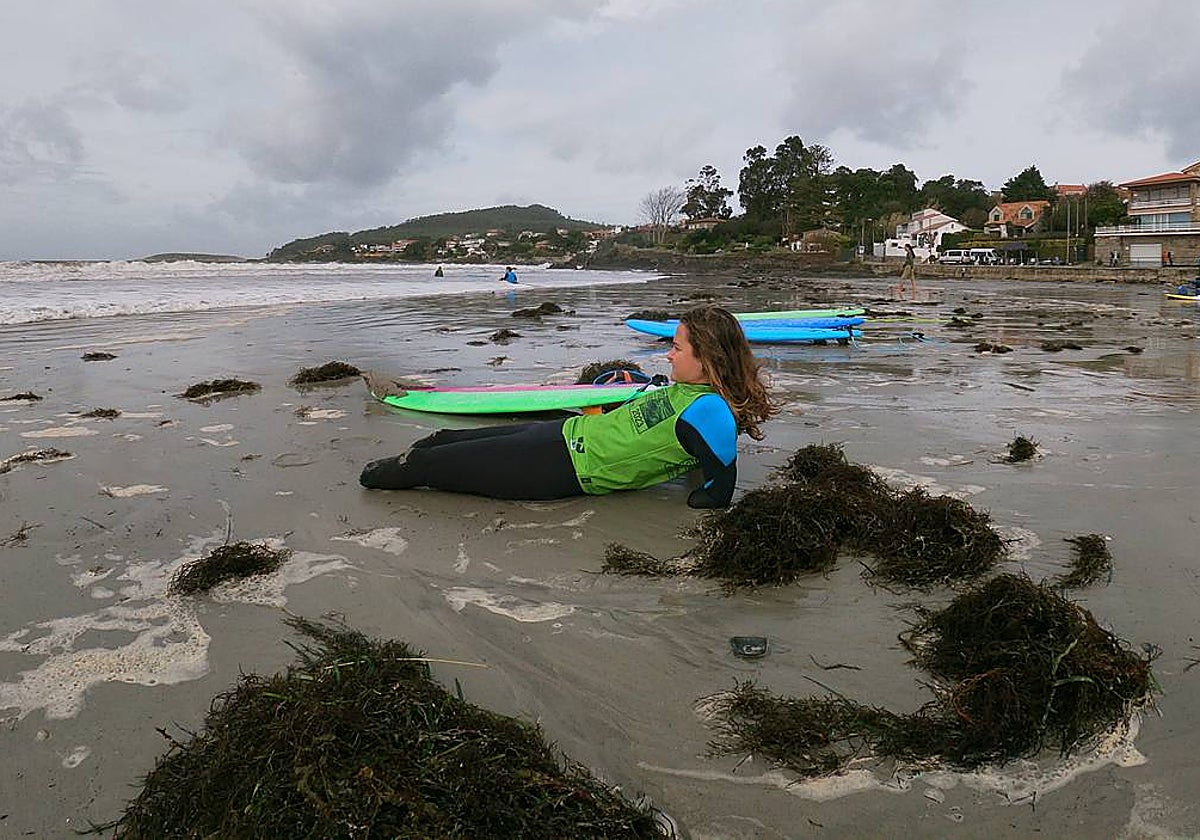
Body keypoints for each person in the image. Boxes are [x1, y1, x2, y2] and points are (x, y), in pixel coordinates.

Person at [359, 305, 777, 508]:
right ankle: (421, 456)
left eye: (677, 348)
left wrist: (696, 492)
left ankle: (405, 468)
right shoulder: (686, 390)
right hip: (566, 434)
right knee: (445, 439)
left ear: (708, 359)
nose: (669, 354)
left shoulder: (710, 412)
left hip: (565, 469)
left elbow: (717, 490)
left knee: (426, 467)